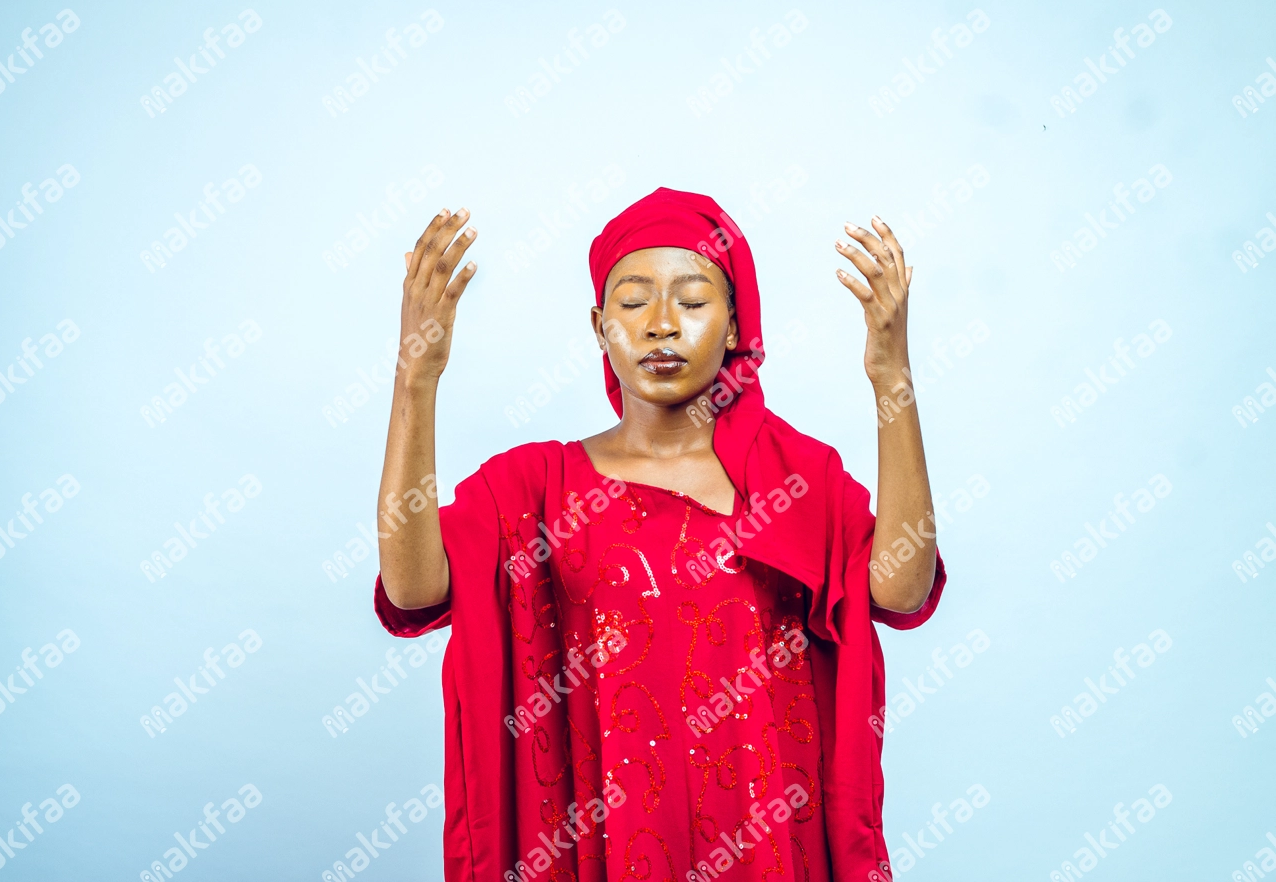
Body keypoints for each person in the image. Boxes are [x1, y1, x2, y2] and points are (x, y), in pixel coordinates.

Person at [374, 187, 947, 882]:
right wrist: (417, 376)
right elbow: (411, 590)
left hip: (767, 848)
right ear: (598, 326)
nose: (662, 324)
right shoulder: (535, 486)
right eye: (634, 299)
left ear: (736, 324)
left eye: (694, 300)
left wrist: (891, 374)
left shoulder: (797, 479)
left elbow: (902, 590)